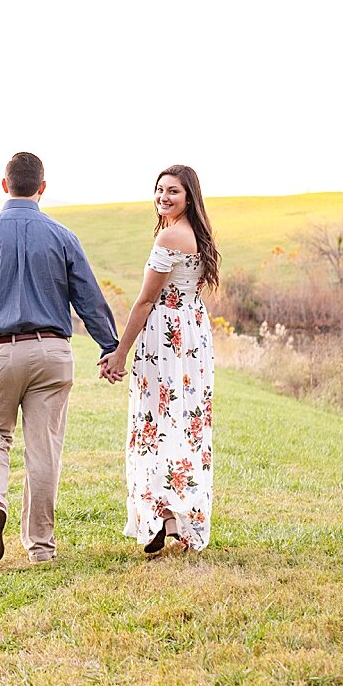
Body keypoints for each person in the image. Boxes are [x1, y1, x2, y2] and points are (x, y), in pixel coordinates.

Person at [0, 152, 120, 564]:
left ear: (4, 184)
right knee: (44, 450)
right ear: (42, 188)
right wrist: (109, 345)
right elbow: (88, 298)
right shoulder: (63, 236)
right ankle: (41, 548)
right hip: (51, 351)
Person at [98, 164, 219, 557]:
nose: (164, 197)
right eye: (159, 190)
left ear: (189, 197)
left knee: (155, 422)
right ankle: (172, 518)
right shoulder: (200, 235)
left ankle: (161, 514)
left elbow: (146, 300)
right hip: (194, 339)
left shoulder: (170, 236)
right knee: (183, 423)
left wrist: (119, 353)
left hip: (167, 339)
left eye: (173, 192)